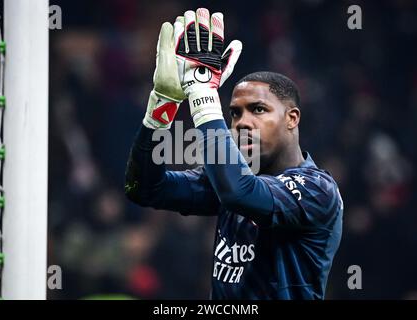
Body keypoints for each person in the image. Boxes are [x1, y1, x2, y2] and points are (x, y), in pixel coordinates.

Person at [125, 8, 343, 299]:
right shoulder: (233, 177)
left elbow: (239, 193)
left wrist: (203, 97)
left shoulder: (318, 190)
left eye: (258, 110)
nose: (243, 122)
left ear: (292, 118)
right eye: (235, 113)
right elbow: (144, 189)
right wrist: (162, 107)